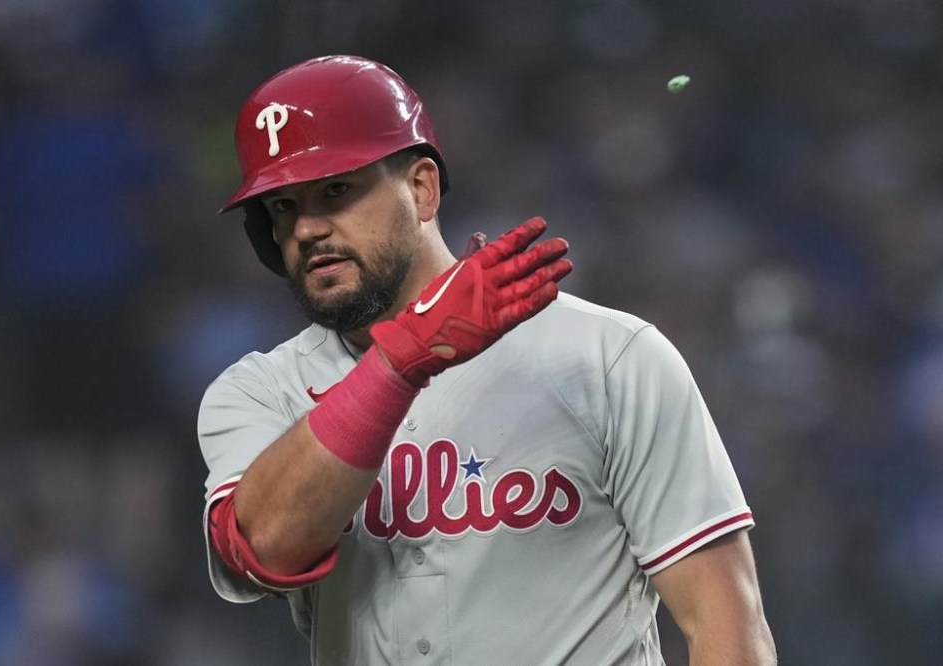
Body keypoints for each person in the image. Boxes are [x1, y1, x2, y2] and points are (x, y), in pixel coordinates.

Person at [198, 54, 777, 664]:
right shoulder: (259, 391)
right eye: (283, 207)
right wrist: (401, 361)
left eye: (335, 191)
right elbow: (261, 551)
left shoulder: (608, 359)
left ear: (421, 188)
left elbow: (723, 621)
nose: (308, 229)